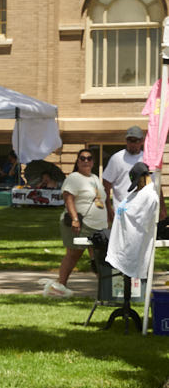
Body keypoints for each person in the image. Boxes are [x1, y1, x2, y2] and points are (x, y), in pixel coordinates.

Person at [42, 149, 107, 298]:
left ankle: (105, 288)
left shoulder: (95, 178)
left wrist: (109, 217)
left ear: (93, 161)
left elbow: (102, 200)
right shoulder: (74, 178)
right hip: (81, 223)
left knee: (98, 255)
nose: (86, 161)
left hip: (98, 225)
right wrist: (75, 219)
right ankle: (60, 287)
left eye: (89, 158)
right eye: (82, 158)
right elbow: (68, 198)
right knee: (73, 254)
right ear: (77, 161)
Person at [102, 126, 146, 211]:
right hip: (121, 211)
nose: (132, 144)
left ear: (142, 141)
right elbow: (106, 184)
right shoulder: (117, 158)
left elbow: (155, 185)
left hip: (143, 211)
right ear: (126, 141)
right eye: (130, 140)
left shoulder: (147, 158)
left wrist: (161, 209)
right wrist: (108, 209)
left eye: (136, 140)